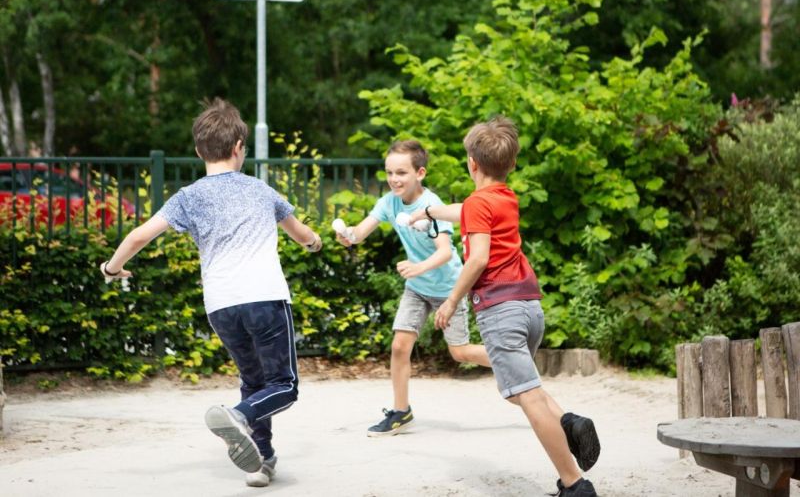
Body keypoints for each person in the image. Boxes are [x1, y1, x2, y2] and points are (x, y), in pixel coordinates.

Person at [97, 98, 322, 488]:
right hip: (265, 298)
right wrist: (315, 243)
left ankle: (262, 461)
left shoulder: (187, 196)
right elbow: (302, 235)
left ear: (200, 150)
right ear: (239, 148)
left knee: (254, 382)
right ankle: (238, 417)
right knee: (283, 386)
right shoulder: (260, 189)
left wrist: (111, 268)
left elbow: (138, 236)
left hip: (221, 307)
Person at [410, 117, 600, 496]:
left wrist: (450, 301)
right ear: (510, 165)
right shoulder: (504, 197)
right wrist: (429, 213)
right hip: (529, 306)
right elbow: (466, 210)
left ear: (471, 163)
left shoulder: (480, 203)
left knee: (525, 396)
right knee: (520, 389)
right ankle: (570, 422)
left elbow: (477, 258)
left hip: (501, 309)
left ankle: (575, 485)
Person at [334, 140, 491, 437]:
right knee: (399, 345)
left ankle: (512, 361)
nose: (394, 179)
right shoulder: (388, 202)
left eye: (401, 173)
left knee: (459, 353)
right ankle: (400, 412)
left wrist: (418, 267)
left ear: (419, 173)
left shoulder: (431, 205)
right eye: (389, 172)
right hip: (417, 288)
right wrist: (348, 236)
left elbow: (445, 251)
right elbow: (360, 231)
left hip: (448, 288)